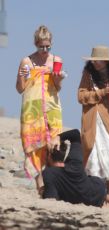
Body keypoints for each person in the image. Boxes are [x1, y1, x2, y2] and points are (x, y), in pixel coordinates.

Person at [16, 25, 64, 193]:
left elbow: (57, 88)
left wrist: (58, 78)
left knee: (54, 144)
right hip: (32, 109)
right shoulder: (27, 61)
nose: (44, 50)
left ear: (51, 43)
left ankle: (55, 183)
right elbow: (20, 88)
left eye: (47, 46)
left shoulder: (56, 60)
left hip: (52, 107)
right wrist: (23, 75)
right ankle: (40, 185)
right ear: (35, 43)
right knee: (33, 145)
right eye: (41, 46)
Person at [78, 45, 109, 195]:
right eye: (93, 60)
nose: (94, 63)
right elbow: (81, 96)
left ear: (106, 61)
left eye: (98, 60)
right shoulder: (88, 74)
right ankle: (94, 192)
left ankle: (108, 193)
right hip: (91, 121)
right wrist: (102, 92)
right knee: (92, 158)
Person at [42, 129, 109, 208]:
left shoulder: (49, 174)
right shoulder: (74, 161)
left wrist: (43, 190)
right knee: (92, 184)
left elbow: (51, 199)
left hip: (81, 199)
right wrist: (58, 137)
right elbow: (76, 134)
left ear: (49, 156)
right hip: (93, 191)